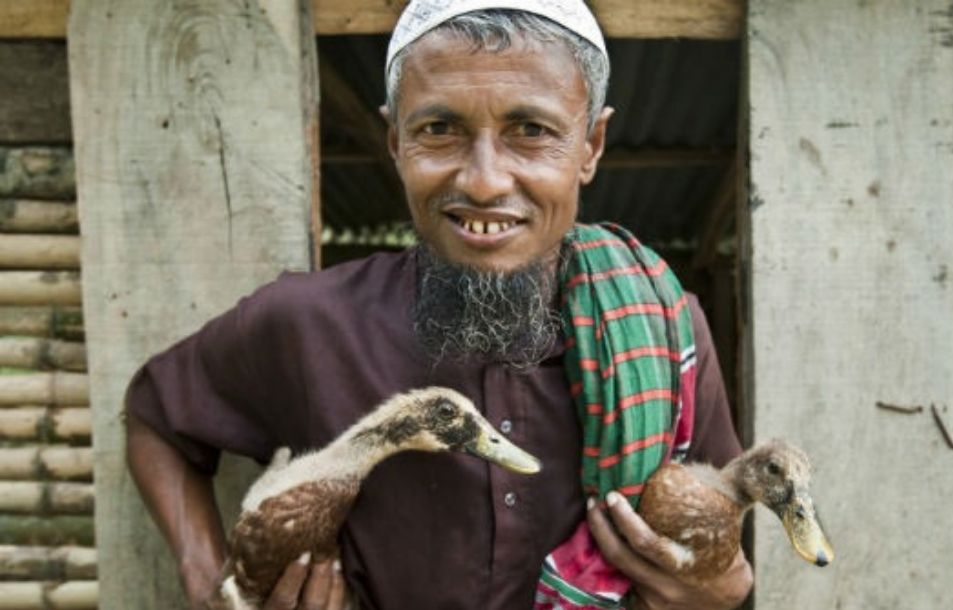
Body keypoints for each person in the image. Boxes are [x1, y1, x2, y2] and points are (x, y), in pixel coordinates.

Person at [125, 2, 753, 609]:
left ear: (591, 145)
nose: (483, 181)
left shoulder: (666, 331)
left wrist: (720, 592)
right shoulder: (309, 325)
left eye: (530, 131)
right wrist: (213, 587)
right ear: (395, 141)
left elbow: (721, 539)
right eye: (439, 130)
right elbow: (157, 415)